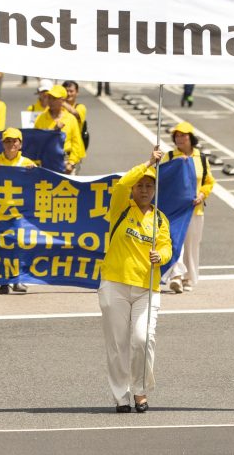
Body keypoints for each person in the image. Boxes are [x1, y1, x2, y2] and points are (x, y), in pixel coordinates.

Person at [99, 149, 172, 413]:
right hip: (114, 284)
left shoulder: (160, 219)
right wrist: (149, 163)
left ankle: (140, 391)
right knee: (117, 343)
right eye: (140, 185)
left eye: (149, 185)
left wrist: (160, 255)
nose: (143, 189)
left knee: (142, 339)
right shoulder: (120, 206)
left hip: (146, 288)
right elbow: (122, 183)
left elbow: (167, 248)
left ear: (155, 190)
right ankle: (121, 395)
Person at [0, 128, 35, 294]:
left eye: (14, 141)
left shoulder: (27, 163)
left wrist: (34, 171)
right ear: (2, 143)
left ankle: (17, 280)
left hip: (19, 213)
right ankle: (3, 281)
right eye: (7, 141)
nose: (11, 144)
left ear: (20, 144)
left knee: (19, 246)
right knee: (1, 247)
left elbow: (40, 183)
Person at [164, 122, 214, 293]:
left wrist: (201, 195)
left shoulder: (200, 158)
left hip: (195, 210)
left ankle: (188, 278)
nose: (179, 139)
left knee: (192, 245)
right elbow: (161, 177)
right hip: (174, 210)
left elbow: (209, 181)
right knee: (174, 242)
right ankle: (175, 276)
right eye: (176, 136)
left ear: (191, 138)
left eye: (183, 135)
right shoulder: (170, 157)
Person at [34, 84, 85, 172]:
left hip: (66, 161)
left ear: (62, 101)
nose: (50, 101)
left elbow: (76, 143)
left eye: (54, 99)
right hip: (46, 162)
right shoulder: (41, 118)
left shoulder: (70, 119)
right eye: (49, 98)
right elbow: (37, 142)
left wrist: (71, 163)